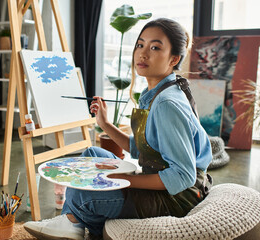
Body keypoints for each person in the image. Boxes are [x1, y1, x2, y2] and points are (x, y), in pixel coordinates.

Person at [24, 18, 213, 240]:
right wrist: (105, 124)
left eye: (155, 47)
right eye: (140, 45)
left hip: (177, 197)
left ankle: (74, 223)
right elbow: (141, 148)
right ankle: (72, 223)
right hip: (160, 179)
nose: (143, 54)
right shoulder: (154, 93)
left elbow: (182, 176)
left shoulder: (167, 104)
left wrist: (123, 179)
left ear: (174, 59)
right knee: (90, 156)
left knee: (80, 194)